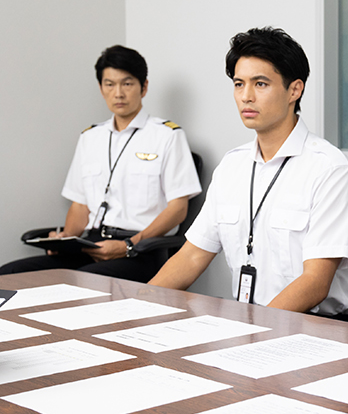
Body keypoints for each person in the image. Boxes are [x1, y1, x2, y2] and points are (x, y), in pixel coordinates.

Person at [148, 27, 348, 316]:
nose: (246, 96)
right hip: (248, 321)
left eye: (260, 84)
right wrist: (137, 303)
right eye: (239, 84)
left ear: (294, 90)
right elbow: (192, 255)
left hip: (315, 327)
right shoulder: (232, 166)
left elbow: (315, 282)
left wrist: (252, 330)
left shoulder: (330, 169)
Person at [1, 45, 202, 282]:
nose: (118, 93)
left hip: (141, 251)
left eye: (127, 84)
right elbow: (80, 205)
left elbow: (178, 209)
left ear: (144, 87)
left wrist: (129, 244)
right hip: (91, 245)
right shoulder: (90, 137)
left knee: (80, 283)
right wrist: (64, 238)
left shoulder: (167, 136)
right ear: (101, 88)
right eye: (110, 84)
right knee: (9, 274)